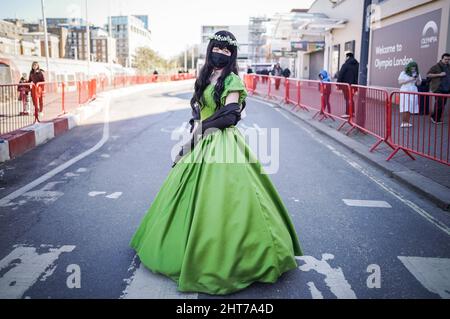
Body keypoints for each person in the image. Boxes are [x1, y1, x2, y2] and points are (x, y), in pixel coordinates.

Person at [129, 30, 302, 296]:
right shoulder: (205, 77)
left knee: (228, 200)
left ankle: (235, 259)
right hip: (201, 141)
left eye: (226, 50)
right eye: (217, 48)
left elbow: (231, 115)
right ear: (210, 49)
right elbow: (199, 110)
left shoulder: (232, 80)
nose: (220, 54)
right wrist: (195, 131)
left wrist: (200, 131)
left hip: (222, 143)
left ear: (232, 55)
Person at [427, 53, 450, 124]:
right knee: (439, 103)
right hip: (438, 88)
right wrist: (439, 74)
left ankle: (434, 116)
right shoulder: (436, 66)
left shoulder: (449, 67)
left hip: (446, 88)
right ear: (442, 59)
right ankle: (436, 119)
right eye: (445, 59)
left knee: (443, 104)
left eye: (448, 59)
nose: (447, 61)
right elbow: (428, 74)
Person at [398, 61, 422, 128]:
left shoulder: (417, 73)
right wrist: (410, 79)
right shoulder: (403, 73)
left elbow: (419, 84)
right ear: (408, 67)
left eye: (414, 68)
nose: (413, 69)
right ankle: (403, 122)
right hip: (405, 90)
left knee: (410, 106)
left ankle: (407, 122)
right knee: (405, 106)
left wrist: (417, 80)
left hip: (413, 90)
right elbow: (400, 82)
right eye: (411, 68)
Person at [337, 52, 359, 118]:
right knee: (351, 98)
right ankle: (352, 112)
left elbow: (341, 74)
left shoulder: (345, 65)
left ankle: (348, 113)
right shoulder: (357, 64)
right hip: (354, 85)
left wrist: (338, 83)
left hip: (346, 85)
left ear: (348, 57)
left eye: (346, 57)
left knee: (347, 98)